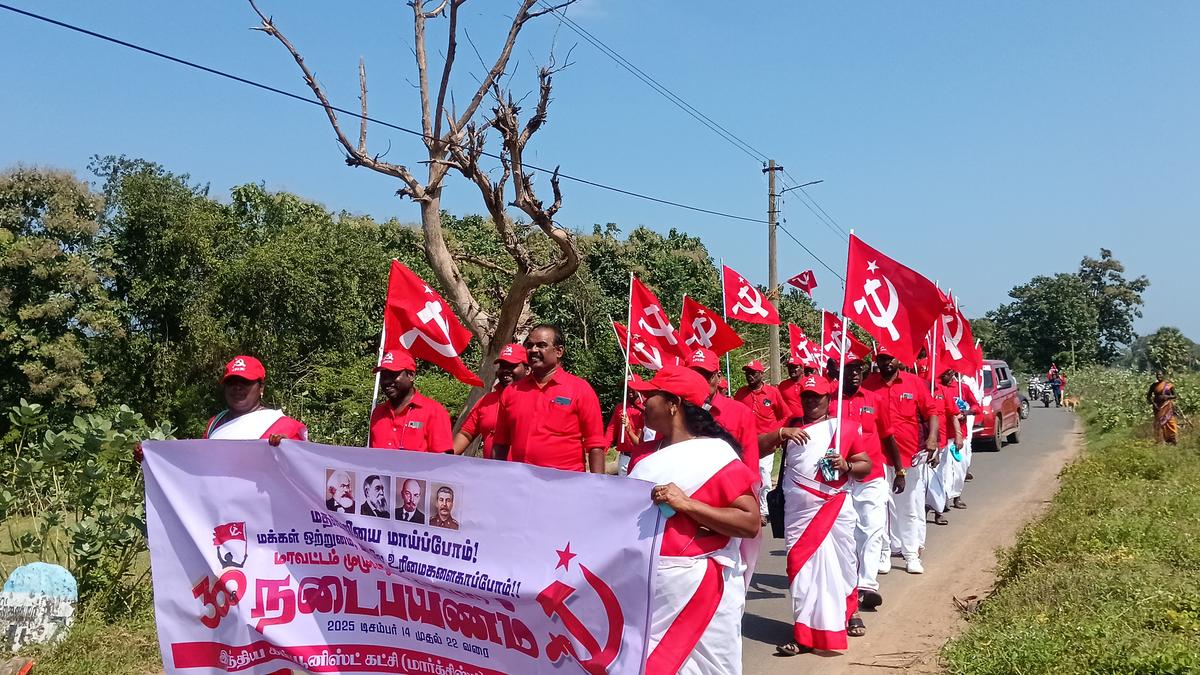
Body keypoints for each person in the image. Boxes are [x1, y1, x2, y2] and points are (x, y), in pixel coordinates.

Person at [626, 366, 760, 674]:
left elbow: (749, 522)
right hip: (650, 588)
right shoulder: (643, 455)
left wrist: (687, 504)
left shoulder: (716, 455)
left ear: (673, 403)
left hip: (701, 588)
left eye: (650, 396)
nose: (641, 402)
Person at [776, 375, 873, 655]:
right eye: (806, 396)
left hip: (834, 508)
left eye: (816, 396)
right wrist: (781, 433)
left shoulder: (844, 428)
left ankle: (848, 611)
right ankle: (804, 630)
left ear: (828, 399)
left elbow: (865, 464)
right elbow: (759, 445)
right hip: (799, 513)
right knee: (799, 567)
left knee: (842, 563)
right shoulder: (792, 428)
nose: (810, 401)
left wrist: (846, 465)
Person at [861, 345, 939, 575]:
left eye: (890, 359)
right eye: (882, 359)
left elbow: (931, 411)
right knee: (881, 507)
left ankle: (911, 554)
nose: (886, 363)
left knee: (910, 507)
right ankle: (884, 553)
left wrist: (932, 439)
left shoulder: (914, 382)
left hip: (909, 457)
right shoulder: (868, 385)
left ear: (898, 360)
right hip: (877, 458)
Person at [830, 357, 899, 612]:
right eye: (849, 370)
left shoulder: (874, 399)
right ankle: (845, 581)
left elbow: (888, 435)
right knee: (846, 531)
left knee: (871, 529)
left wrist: (899, 469)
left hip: (872, 476)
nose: (855, 375)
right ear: (839, 373)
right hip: (839, 477)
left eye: (858, 370)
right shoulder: (829, 399)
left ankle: (867, 584)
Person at [493, 325, 607, 472]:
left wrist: (597, 487)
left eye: (541, 345)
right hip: (521, 485)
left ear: (559, 351)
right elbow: (500, 443)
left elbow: (595, 445)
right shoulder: (511, 392)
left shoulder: (580, 389)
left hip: (565, 485)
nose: (533, 350)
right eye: (530, 345)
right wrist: (496, 477)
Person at [735, 360, 793, 525]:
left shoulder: (772, 393)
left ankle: (763, 511)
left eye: (753, 373)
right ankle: (749, 508)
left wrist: (776, 433)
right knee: (748, 477)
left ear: (761, 374)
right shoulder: (741, 394)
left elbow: (785, 414)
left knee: (764, 475)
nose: (750, 376)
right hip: (746, 443)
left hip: (767, 443)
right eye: (747, 373)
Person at [369, 348, 454, 453]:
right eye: (383, 376)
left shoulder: (434, 411)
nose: (386, 381)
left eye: (392, 375)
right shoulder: (378, 413)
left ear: (411, 375)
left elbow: (443, 461)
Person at [204, 355, 308, 440]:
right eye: (231, 382)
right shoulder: (214, 423)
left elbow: (301, 462)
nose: (237, 387)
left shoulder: (283, 426)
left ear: (261, 388)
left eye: (245, 382)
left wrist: (289, 449)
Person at [454, 344, 529, 458]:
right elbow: (466, 433)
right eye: (503, 366)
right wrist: (443, 458)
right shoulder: (486, 400)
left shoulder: (536, 399)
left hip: (522, 472)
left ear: (527, 369)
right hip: (491, 472)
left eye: (512, 366)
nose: (506, 371)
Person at [926, 372, 965, 527]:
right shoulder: (921, 390)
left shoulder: (943, 391)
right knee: (925, 481)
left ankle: (938, 511)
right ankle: (926, 508)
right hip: (922, 444)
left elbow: (953, 415)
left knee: (940, 477)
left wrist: (958, 435)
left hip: (941, 443)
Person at [945, 370, 982, 509]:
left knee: (960, 467)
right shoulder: (935, 388)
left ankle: (957, 496)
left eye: (948, 373)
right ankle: (942, 501)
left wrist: (966, 412)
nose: (945, 376)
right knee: (944, 470)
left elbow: (976, 406)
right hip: (943, 435)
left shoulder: (962, 388)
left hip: (961, 435)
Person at [607, 376, 646, 476]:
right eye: (626, 387)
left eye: (632, 387)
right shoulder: (620, 408)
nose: (629, 390)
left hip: (641, 457)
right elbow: (612, 428)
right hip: (625, 456)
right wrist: (604, 447)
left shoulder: (647, 408)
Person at [1147, 371, 1179, 445]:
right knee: (1159, 423)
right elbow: (1148, 396)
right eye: (1157, 375)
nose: (1159, 376)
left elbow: (1175, 396)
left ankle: (1173, 439)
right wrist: (1153, 403)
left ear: (1163, 375)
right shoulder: (1153, 386)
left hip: (1167, 406)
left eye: (1160, 375)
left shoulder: (1169, 385)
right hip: (1158, 407)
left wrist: (1167, 397)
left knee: (1170, 422)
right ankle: (1161, 440)